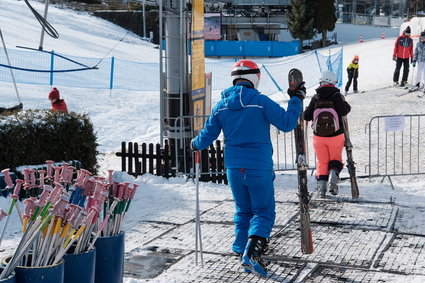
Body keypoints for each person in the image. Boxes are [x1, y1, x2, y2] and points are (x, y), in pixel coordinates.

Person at [190, 60, 305, 277]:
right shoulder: (260, 102)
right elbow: (288, 123)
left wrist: (194, 144)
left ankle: (240, 247)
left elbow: (207, 136)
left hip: (233, 168)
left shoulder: (221, 106)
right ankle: (251, 255)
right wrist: (296, 98)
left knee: (243, 210)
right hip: (258, 167)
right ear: (255, 78)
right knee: (263, 212)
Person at [303, 71, 351, 198]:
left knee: (322, 161)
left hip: (318, 136)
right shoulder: (336, 95)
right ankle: (333, 183)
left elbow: (307, 116)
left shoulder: (316, 97)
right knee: (336, 160)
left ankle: (321, 189)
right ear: (332, 82)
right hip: (336, 135)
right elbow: (344, 111)